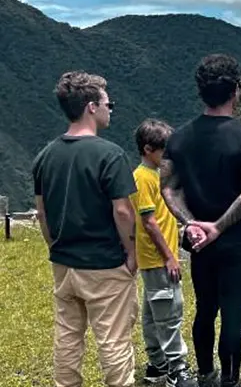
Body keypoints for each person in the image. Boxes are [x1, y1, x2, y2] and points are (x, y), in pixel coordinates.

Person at [160, 54, 241, 387]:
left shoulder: (178, 138)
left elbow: (168, 188)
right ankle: (230, 381)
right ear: (236, 90)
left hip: (198, 242)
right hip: (236, 240)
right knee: (233, 313)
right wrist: (218, 227)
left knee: (205, 309)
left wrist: (192, 223)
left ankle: (205, 375)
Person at [32, 71, 139, 387]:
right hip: (104, 263)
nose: (110, 109)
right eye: (108, 103)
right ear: (92, 107)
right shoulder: (110, 155)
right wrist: (131, 253)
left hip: (64, 262)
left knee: (67, 337)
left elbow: (42, 213)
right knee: (113, 340)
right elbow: (123, 211)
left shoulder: (45, 156)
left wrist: (54, 246)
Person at [130, 119, 198, 387]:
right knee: (170, 313)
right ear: (148, 149)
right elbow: (149, 222)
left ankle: (157, 364)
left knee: (152, 313)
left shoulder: (154, 175)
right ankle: (176, 369)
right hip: (159, 258)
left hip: (153, 258)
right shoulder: (143, 178)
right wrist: (170, 256)